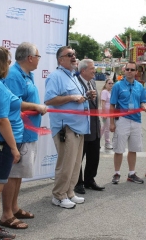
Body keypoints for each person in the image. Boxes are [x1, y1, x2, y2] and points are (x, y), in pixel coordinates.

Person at [0, 46, 45, 240]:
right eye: (7, 61)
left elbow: (15, 102)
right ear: (0, 63)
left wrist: (37, 106)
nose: (9, 64)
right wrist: (14, 148)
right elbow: (1, 119)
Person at [0, 42, 46, 230]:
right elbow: (14, 103)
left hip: (28, 132)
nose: (39, 60)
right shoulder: (13, 75)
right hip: (19, 132)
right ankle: (6, 215)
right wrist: (37, 107)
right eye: (38, 56)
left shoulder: (28, 74)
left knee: (18, 175)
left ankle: (14, 207)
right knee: (12, 175)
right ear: (30, 57)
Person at [44, 46, 89, 208]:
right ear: (60, 59)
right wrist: (71, 97)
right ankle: (58, 195)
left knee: (75, 164)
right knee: (66, 163)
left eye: (74, 54)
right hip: (66, 128)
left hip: (79, 126)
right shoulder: (55, 76)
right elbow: (49, 100)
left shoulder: (73, 76)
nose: (73, 57)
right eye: (69, 55)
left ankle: (69, 192)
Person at [110, 61, 146, 184]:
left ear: (136, 72)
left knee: (133, 148)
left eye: (132, 70)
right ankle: (117, 173)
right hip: (122, 120)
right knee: (119, 149)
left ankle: (131, 173)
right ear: (124, 71)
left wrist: (144, 106)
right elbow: (112, 105)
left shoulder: (139, 86)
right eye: (128, 69)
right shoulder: (117, 86)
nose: (130, 72)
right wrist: (111, 122)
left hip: (136, 120)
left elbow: (142, 101)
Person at [74, 59, 105, 195]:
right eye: (92, 68)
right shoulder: (75, 82)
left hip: (94, 125)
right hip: (81, 126)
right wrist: (84, 97)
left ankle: (89, 180)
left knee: (94, 156)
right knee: (79, 157)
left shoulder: (92, 82)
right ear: (83, 70)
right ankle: (77, 182)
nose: (95, 71)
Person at [100, 78, 114, 150]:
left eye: (112, 83)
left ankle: (97, 140)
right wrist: (104, 113)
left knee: (103, 128)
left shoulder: (110, 92)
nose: (111, 85)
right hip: (106, 113)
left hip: (110, 113)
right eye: (109, 83)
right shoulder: (104, 92)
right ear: (106, 84)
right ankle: (107, 142)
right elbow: (103, 103)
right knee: (106, 128)